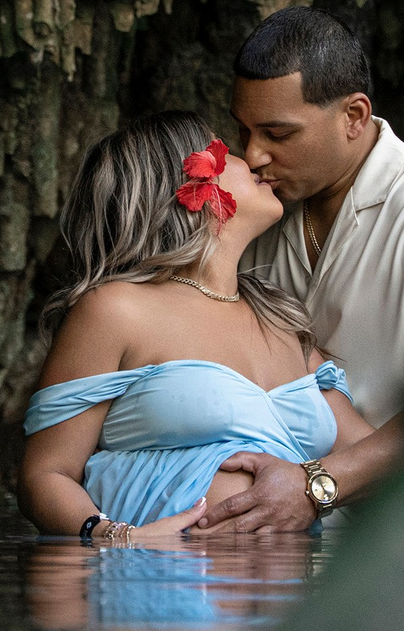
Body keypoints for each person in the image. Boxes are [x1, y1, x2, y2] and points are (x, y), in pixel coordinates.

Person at [205, 6, 404, 532]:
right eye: (244, 130)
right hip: (279, 545)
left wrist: (317, 485)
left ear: (354, 116)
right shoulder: (258, 212)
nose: (253, 155)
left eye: (278, 133)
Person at [20, 112, 377, 541]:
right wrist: (116, 538)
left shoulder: (281, 319)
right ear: (189, 188)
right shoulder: (116, 310)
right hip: (153, 587)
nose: (252, 160)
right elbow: (46, 472)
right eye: (225, 151)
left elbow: (375, 457)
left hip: (291, 598)